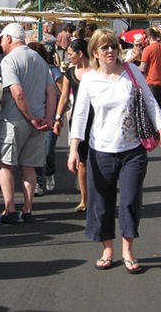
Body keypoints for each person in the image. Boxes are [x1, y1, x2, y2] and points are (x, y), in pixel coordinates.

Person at [68, 29, 161, 274]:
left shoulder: (131, 72)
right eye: (104, 47)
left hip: (132, 150)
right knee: (101, 203)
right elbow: (80, 116)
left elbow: (149, 101)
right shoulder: (90, 79)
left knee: (129, 201)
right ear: (94, 52)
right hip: (100, 150)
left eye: (113, 46)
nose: (110, 51)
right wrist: (74, 149)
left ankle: (128, 249)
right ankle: (107, 249)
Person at [0, 23, 58, 224]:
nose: (1, 42)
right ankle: (27, 209)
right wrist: (47, 117)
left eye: (3, 38)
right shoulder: (39, 59)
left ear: (10, 39)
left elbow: (17, 92)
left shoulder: (9, 60)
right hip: (38, 120)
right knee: (29, 165)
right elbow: (52, 91)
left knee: (6, 163)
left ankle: (10, 209)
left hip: (15, 119)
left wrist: (29, 116)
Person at [54, 37, 93, 212]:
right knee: (82, 161)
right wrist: (58, 117)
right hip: (78, 119)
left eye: (70, 54)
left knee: (99, 160)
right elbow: (64, 97)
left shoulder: (96, 71)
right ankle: (84, 199)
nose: (68, 57)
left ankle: (97, 196)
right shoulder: (70, 72)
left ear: (80, 54)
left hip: (98, 118)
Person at [28, 41, 64, 195]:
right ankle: (39, 181)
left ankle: (49, 173)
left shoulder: (52, 70)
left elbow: (63, 94)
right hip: (35, 113)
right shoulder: (28, 71)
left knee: (48, 149)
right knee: (35, 149)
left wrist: (58, 116)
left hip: (51, 114)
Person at [140, 28, 161, 116]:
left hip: (151, 82)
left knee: (151, 109)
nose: (145, 40)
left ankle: (153, 128)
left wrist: (135, 70)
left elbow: (143, 68)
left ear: (149, 37)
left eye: (145, 38)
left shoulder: (147, 50)